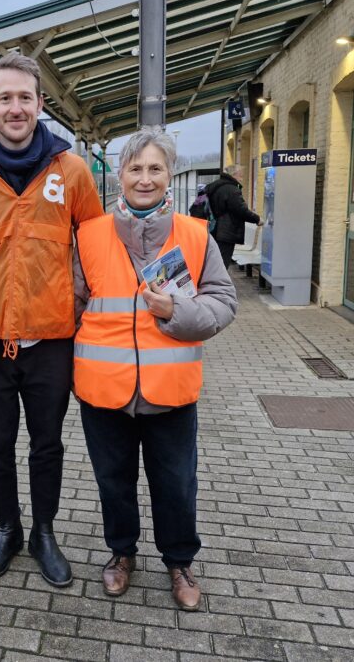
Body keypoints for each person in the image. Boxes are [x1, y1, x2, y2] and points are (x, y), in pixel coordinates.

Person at [0, 52, 104, 587]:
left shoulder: (71, 171)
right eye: (4, 98)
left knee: (48, 444)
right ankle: (6, 527)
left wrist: (90, 307)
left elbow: (97, 248)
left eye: (24, 98)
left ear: (40, 104)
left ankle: (44, 531)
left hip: (53, 341)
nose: (15, 107)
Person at [73, 126, 237, 610]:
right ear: (120, 174)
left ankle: (179, 561)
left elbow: (224, 303)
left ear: (170, 176)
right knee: (113, 481)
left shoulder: (194, 234)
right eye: (135, 168)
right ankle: (121, 553)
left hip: (171, 391)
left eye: (155, 169)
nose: (145, 179)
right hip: (104, 392)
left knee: (176, 483)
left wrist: (176, 313)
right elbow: (71, 307)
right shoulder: (89, 235)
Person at [206, 165, 261, 267]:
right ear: (234, 175)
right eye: (241, 175)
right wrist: (257, 219)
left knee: (214, 261)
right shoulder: (232, 189)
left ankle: (214, 281)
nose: (242, 178)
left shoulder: (213, 186)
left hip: (212, 229)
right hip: (226, 232)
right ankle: (219, 282)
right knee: (222, 264)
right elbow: (241, 210)